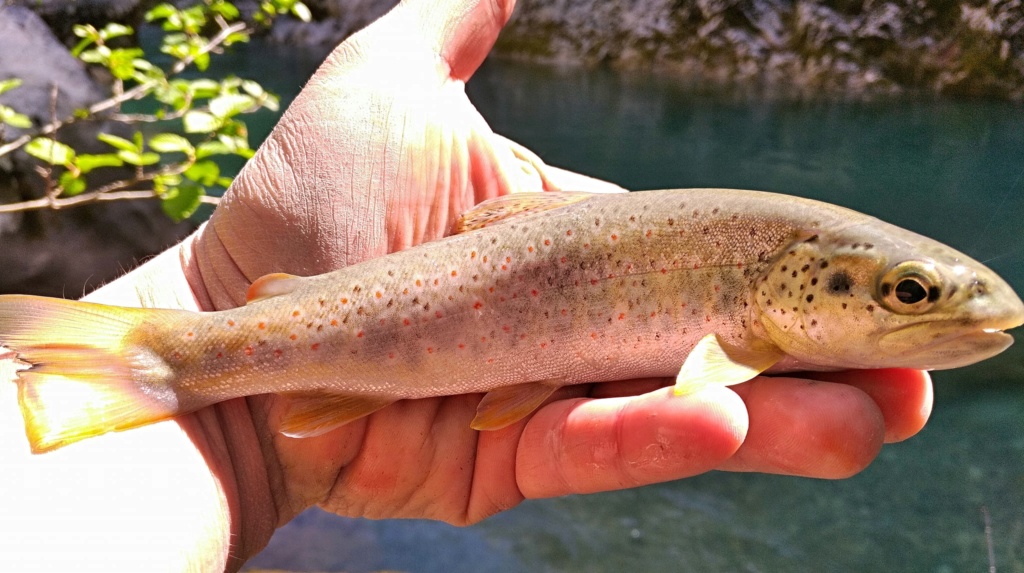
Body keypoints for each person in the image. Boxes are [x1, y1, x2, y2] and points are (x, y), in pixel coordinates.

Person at [0, 0, 933, 570]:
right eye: (907, 295)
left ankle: (149, 361)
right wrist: (210, 316)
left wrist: (213, 331)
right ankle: (160, 361)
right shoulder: (753, 311)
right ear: (815, 278)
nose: (921, 311)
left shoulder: (764, 288)